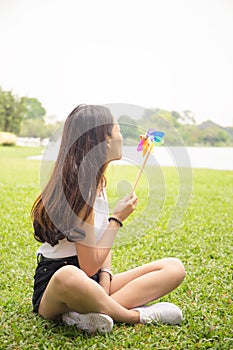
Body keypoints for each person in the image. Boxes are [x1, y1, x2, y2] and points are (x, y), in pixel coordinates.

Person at [32, 104, 185, 334]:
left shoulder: (98, 182)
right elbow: (87, 265)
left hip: (92, 280)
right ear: (101, 139)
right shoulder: (80, 189)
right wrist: (117, 219)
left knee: (174, 267)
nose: (121, 136)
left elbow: (100, 250)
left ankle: (89, 313)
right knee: (69, 276)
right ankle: (135, 315)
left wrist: (105, 279)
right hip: (58, 286)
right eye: (117, 129)